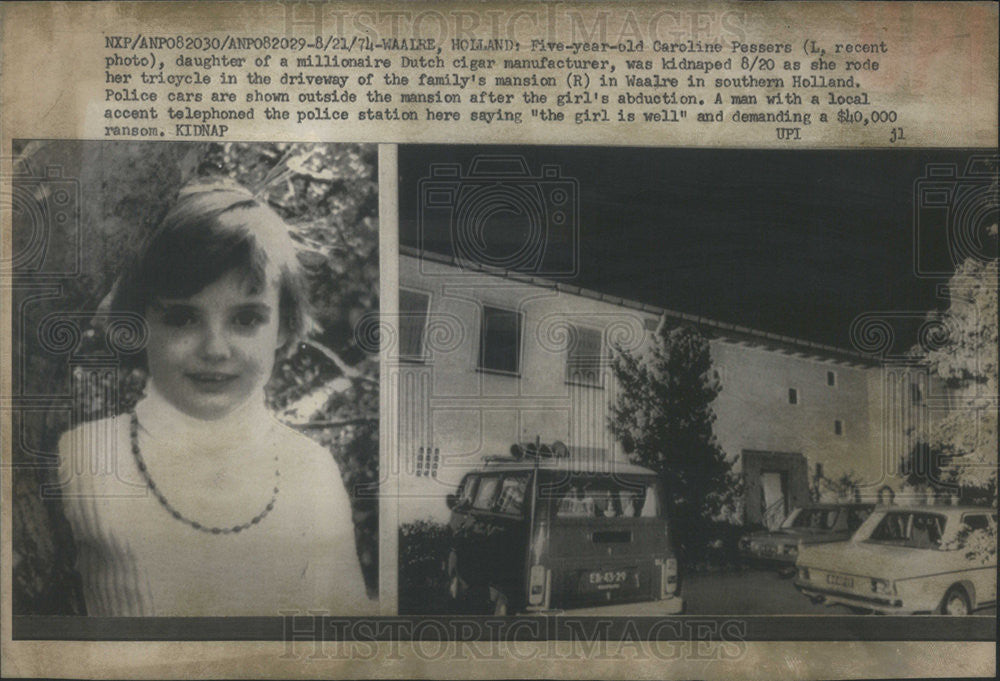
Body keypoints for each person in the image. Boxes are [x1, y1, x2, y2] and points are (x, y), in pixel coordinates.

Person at [57, 180, 371, 616]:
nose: (215, 349)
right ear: (139, 322)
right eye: (182, 317)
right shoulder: (80, 460)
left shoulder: (312, 470)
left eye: (246, 319)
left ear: (281, 326)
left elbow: (347, 638)